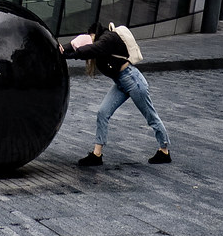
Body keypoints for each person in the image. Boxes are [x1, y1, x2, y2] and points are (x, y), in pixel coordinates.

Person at [61, 22, 171, 166]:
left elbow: (93, 49)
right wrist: (61, 49)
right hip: (120, 82)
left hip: (133, 80)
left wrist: (70, 55)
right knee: (102, 113)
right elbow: (75, 44)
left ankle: (164, 151)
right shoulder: (99, 40)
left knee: (150, 115)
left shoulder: (107, 38)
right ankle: (97, 155)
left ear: (93, 35)